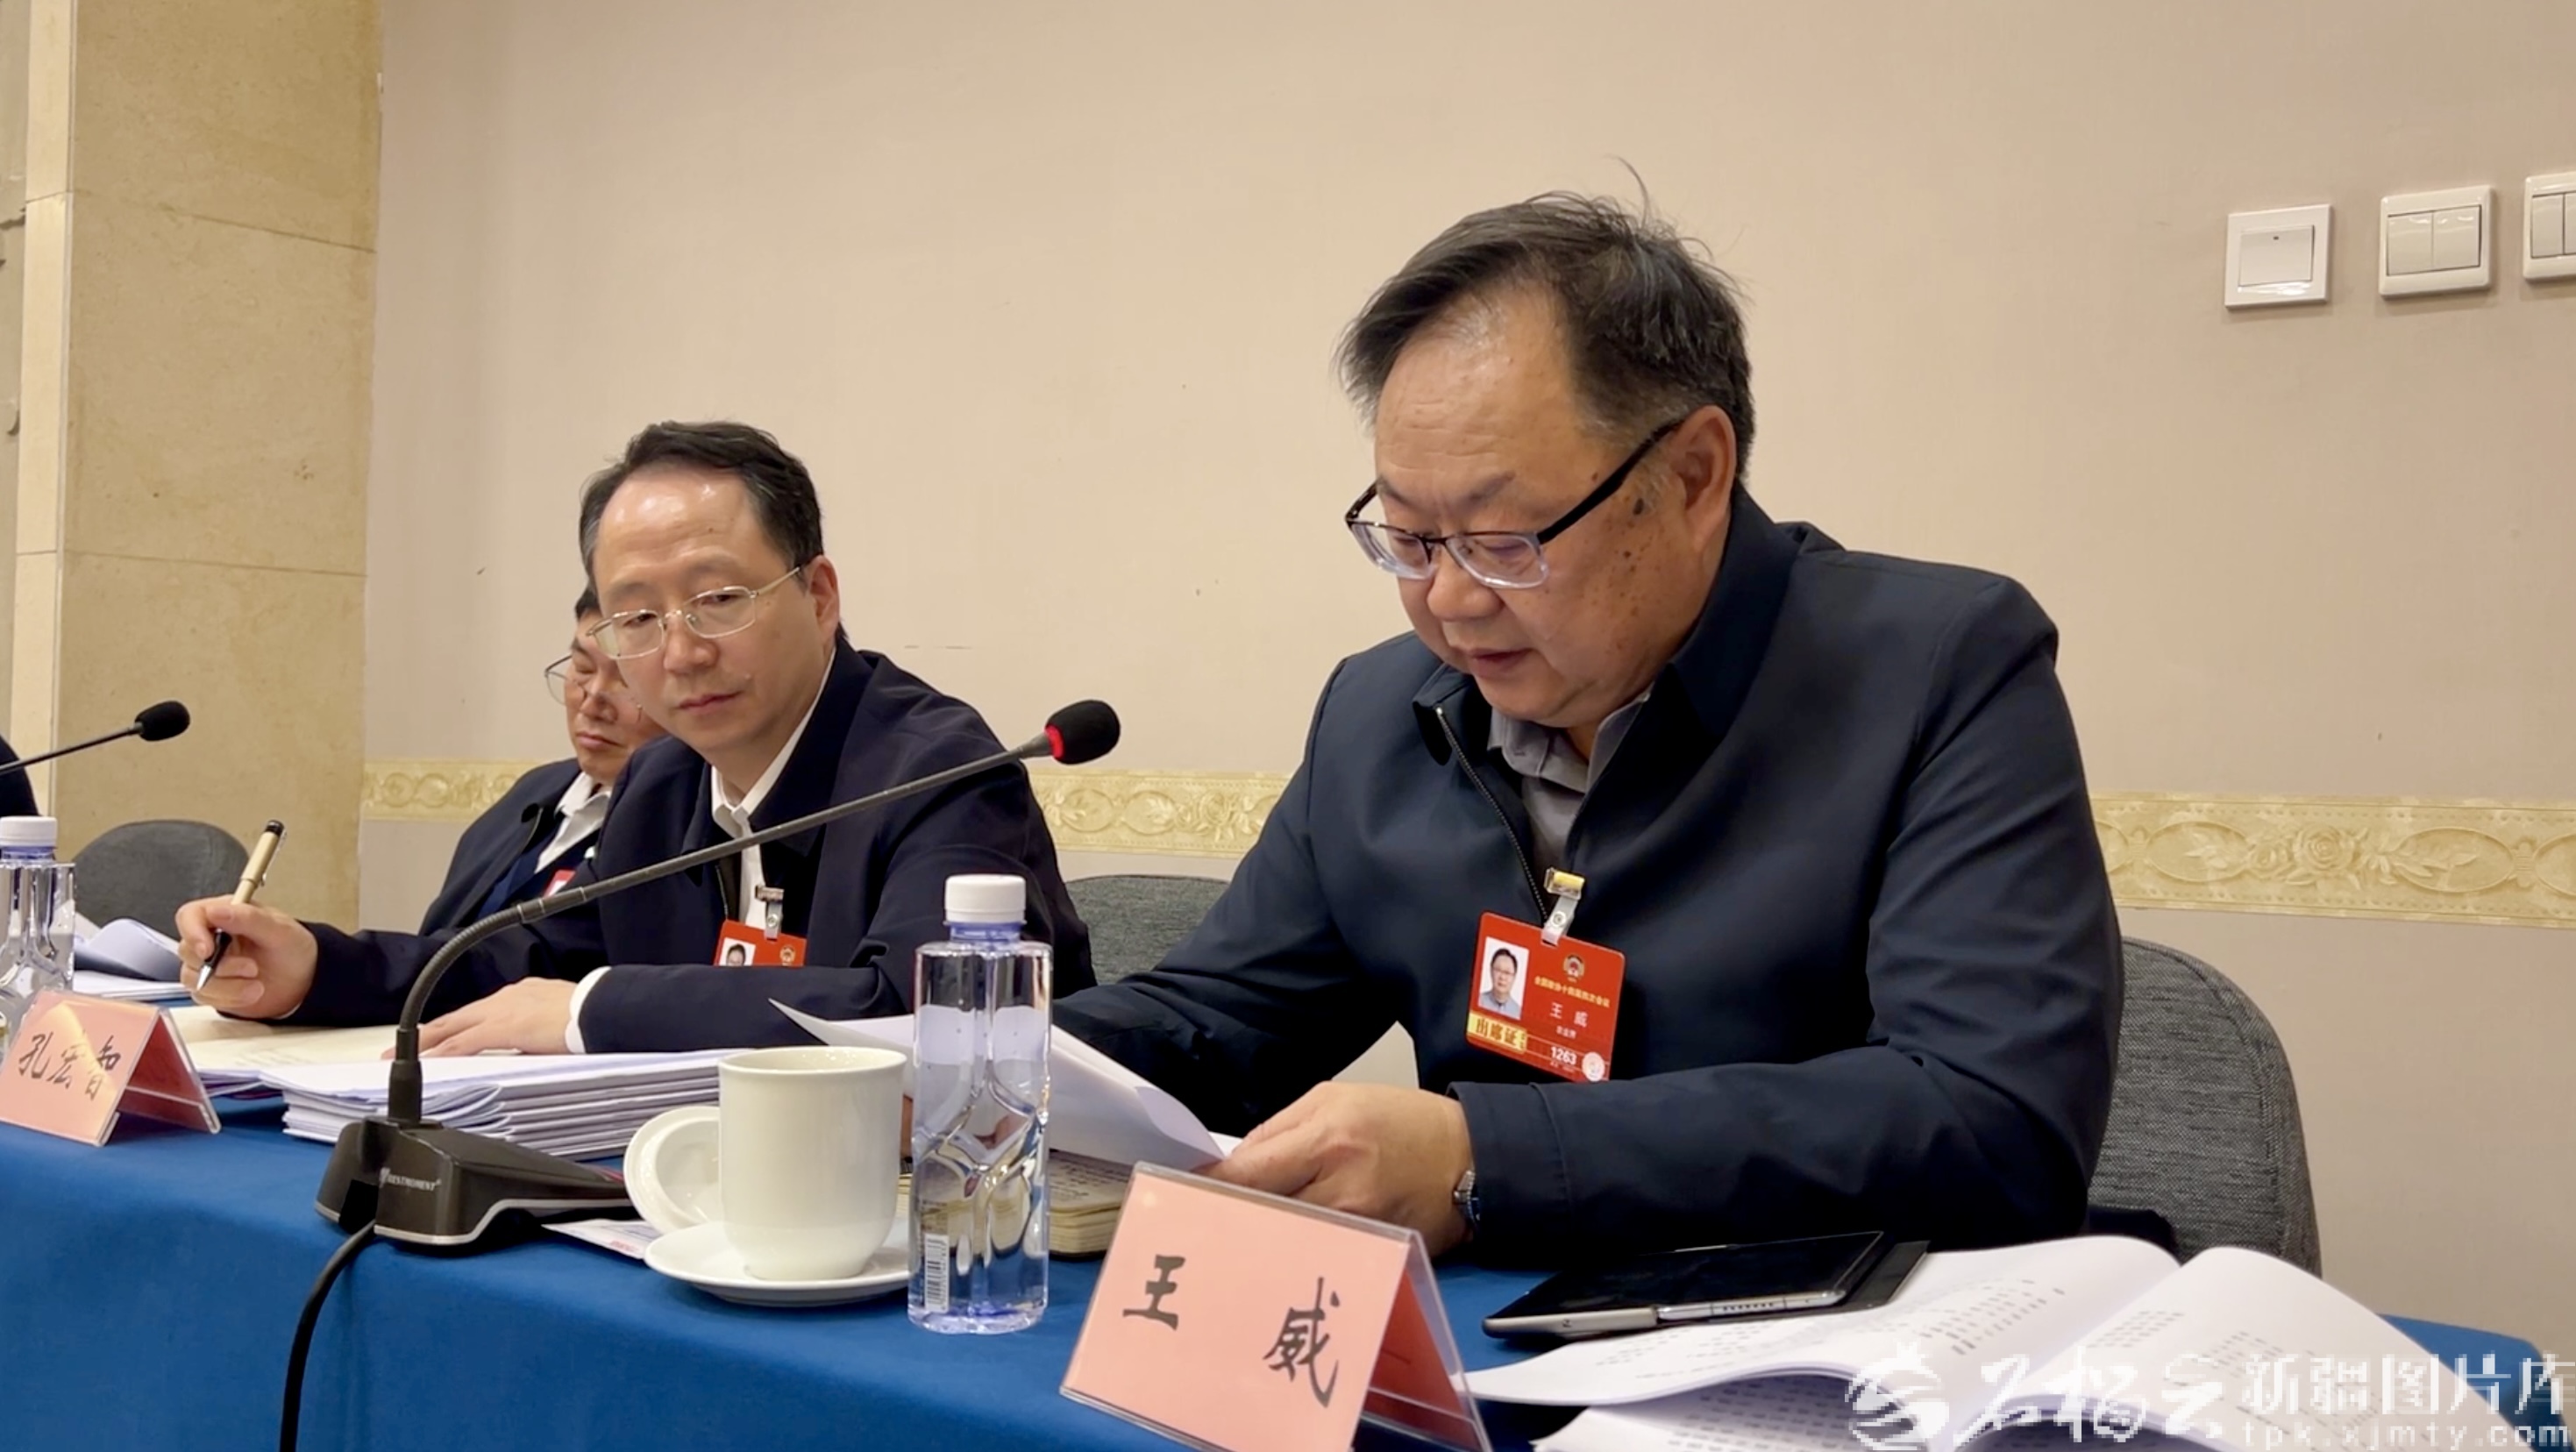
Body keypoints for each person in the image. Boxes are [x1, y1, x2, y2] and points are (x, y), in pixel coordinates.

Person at [1055, 194, 2121, 1261]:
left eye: (1503, 540)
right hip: (1493, 1330)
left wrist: (1485, 1158)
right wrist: (987, 1053)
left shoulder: (1935, 670)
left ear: (1693, 477)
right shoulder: (1381, 711)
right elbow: (1220, 1022)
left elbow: (1991, 1125)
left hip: (1828, 1332)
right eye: (1409, 538)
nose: (1450, 602)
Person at [179, 421, 1093, 1052]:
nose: (681, 653)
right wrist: (315, 968)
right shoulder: (663, 781)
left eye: (719, 600)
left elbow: (919, 1014)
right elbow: (521, 962)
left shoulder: (939, 769)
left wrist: (598, 1009)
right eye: (638, 618)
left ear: (819, 597)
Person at [416, 588, 666, 932]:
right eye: (582, 668)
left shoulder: (678, 828)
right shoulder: (534, 792)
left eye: (626, 680)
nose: (591, 702)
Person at [1476, 943, 1522, 1020]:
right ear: (1491, 971)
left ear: (1514, 977)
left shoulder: (1518, 1013)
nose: (1502, 977)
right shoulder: (1477, 1001)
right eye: (1498, 970)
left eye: (1507, 973)